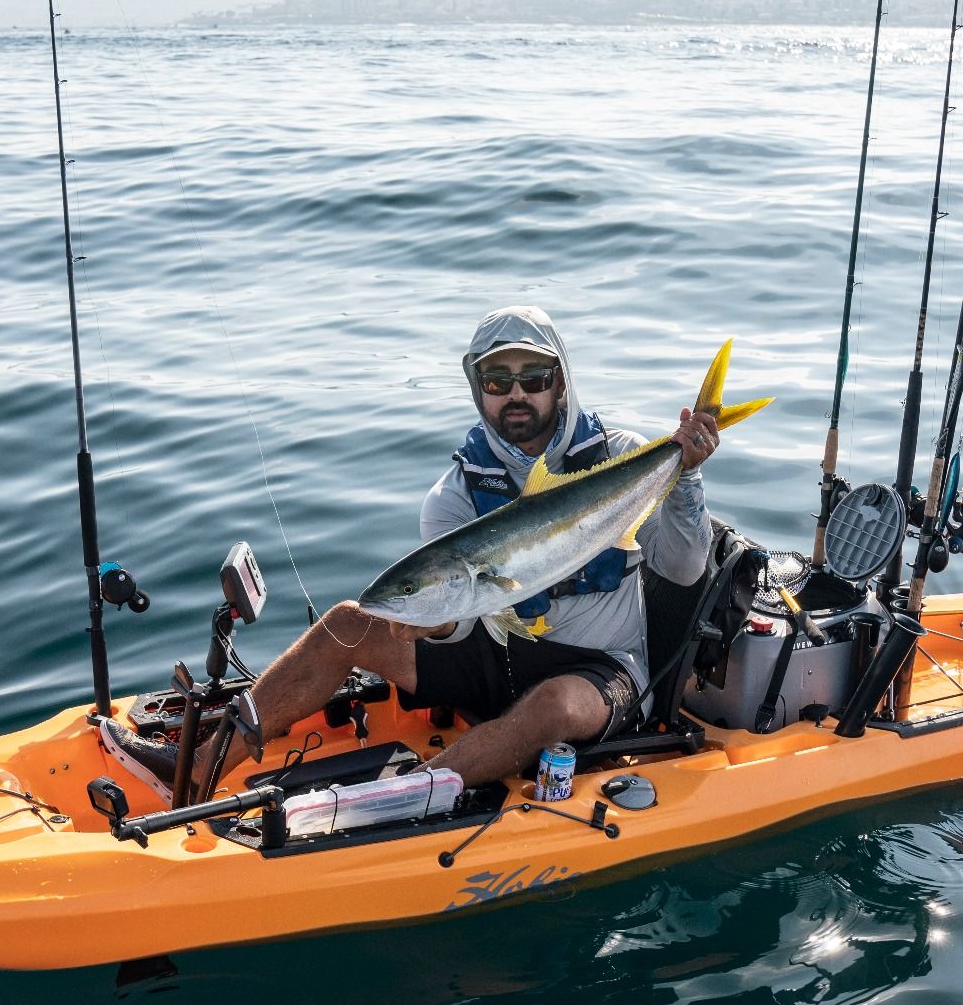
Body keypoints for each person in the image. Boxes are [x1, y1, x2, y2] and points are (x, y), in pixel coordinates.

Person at [211, 305, 719, 794]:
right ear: (478, 389)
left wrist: (687, 475)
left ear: (560, 382)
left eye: (534, 377)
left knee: (555, 706)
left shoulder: (623, 457)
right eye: (497, 381)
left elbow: (684, 567)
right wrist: (436, 624)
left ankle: (403, 797)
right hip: (498, 657)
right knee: (347, 624)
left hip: (602, 668)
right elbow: (459, 613)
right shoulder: (452, 497)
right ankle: (198, 767)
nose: (516, 394)